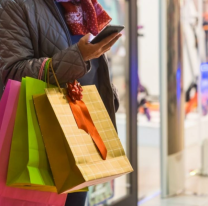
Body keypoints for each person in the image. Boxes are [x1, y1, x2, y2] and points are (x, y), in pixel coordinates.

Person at [0, 0, 121, 205]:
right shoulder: (15, 4)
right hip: (41, 136)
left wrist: (108, 97)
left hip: (80, 131)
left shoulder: (85, 6)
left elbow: (90, 68)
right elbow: (12, 72)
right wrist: (79, 56)